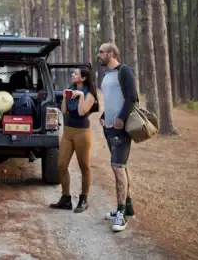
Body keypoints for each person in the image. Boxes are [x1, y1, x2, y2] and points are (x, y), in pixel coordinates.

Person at [97, 42, 138, 233]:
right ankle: (127, 207)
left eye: (101, 52)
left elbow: (132, 97)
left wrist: (121, 119)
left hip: (120, 128)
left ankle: (121, 215)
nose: (99, 55)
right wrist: (105, 115)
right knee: (122, 166)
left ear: (111, 53)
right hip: (109, 127)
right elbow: (113, 98)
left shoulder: (125, 71)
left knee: (117, 168)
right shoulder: (107, 75)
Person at [50, 68, 97, 213]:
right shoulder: (70, 91)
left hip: (82, 133)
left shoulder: (89, 95)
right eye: (73, 73)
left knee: (84, 166)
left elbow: (82, 112)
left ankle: (84, 199)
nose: (72, 75)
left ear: (83, 78)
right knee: (61, 165)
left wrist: (81, 96)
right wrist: (65, 96)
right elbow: (64, 111)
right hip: (68, 132)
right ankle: (66, 198)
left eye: (76, 74)